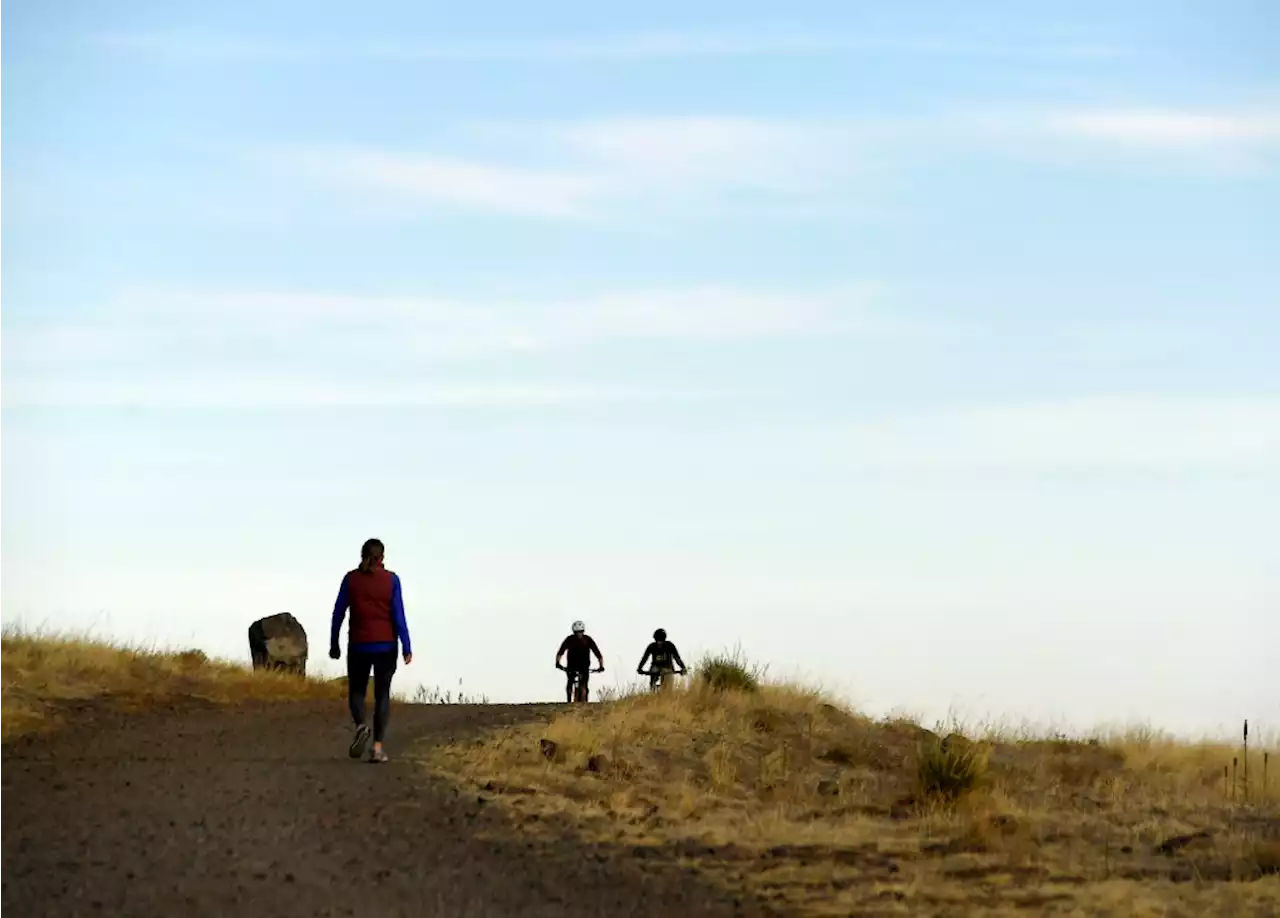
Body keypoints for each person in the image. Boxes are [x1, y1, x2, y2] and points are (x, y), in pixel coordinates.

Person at [329, 538, 412, 763]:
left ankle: (361, 726)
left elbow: (338, 612)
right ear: (382, 557)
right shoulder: (391, 580)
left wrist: (334, 642)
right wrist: (406, 644)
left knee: (357, 691)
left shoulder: (351, 580)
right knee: (382, 695)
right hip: (386, 645)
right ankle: (377, 748)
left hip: (358, 644)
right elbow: (398, 615)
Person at [555, 621, 604, 702]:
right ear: (574, 632)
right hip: (572, 666)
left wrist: (601, 665)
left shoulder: (586, 639)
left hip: (583, 666)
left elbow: (598, 653)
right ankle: (569, 700)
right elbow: (561, 652)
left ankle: (580, 700)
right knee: (572, 683)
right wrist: (557, 662)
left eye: (580, 632)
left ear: (583, 631)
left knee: (583, 684)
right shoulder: (571, 639)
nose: (579, 634)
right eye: (577, 632)